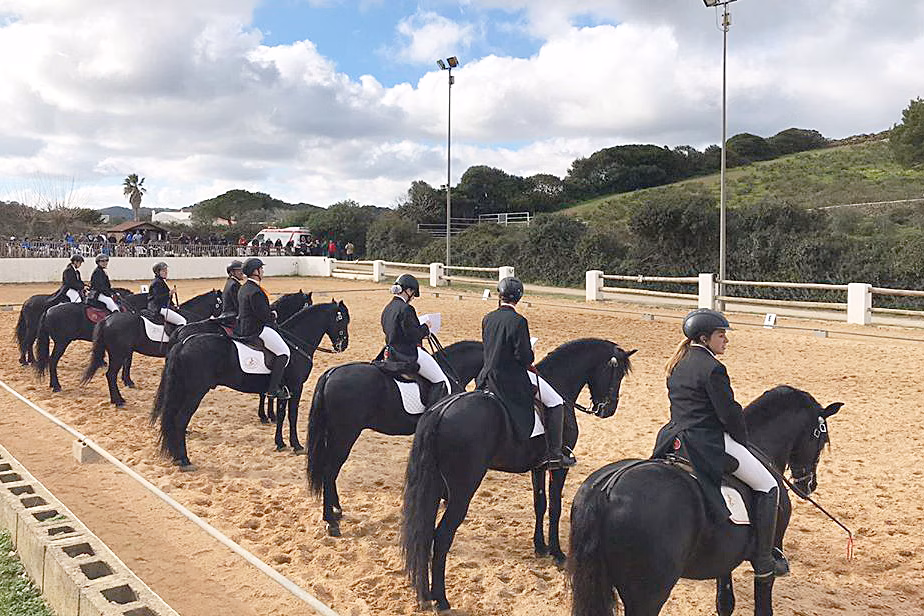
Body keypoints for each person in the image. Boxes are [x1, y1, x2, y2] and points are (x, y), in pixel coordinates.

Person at [652, 308, 787, 579]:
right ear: (704, 338)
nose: (726, 340)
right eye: (721, 335)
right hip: (706, 440)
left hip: (675, 437)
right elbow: (728, 413)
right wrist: (741, 437)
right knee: (769, 485)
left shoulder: (677, 362)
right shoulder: (713, 368)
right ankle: (763, 558)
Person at [476, 277, 575, 470]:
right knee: (556, 401)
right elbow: (524, 357)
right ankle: (554, 455)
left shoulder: (488, 318)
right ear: (518, 298)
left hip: (487, 376)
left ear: (499, 295)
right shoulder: (519, 321)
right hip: (511, 376)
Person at [381, 274, 451, 402]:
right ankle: (432, 413)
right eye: (413, 295)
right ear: (409, 291)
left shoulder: (388, 308)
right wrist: (426, 327)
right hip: (406, 354)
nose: (412, 298)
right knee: (441, 381)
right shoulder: (406, 309)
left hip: (390, 352)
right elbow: (414, 335)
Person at [236, 258, 290, 399]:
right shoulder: (256, 291)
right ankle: (273, 389)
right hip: (256, 329)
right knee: (284, 352)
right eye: (261, 269)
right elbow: (263, 316)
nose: (263, 271)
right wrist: (273, 314)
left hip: (243, 326)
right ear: (255, 271)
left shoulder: (244, 287)